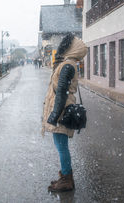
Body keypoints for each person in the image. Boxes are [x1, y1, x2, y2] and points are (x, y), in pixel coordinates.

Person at [41, 33, 87, 192]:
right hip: (63, 106)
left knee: (61, 146)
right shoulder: (69, 64)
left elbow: (61, 92)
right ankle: (66, 177)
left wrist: (54, 114)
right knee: (61, 145)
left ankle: (66, 180)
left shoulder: (67, 65)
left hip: (61, 109)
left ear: (71, 48)